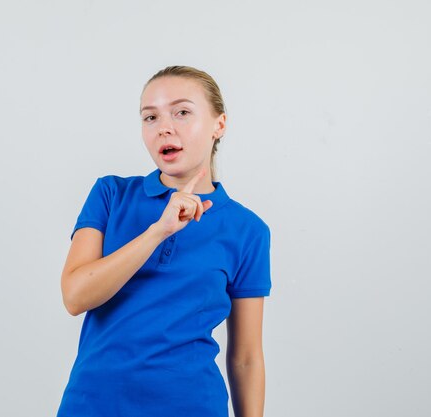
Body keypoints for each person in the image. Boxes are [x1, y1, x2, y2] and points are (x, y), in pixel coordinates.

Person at [56, 65, 272, 417]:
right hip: (92, 405)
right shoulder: (110, 195)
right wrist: (159, 230)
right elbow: (75, 296)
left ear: (219, 124)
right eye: (150, 117)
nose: (164, 127)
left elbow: (246, 357)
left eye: (182, 112)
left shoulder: (247, 230)